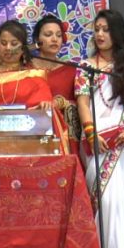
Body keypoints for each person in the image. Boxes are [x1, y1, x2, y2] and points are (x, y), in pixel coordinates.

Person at [74, 9, 124, 248]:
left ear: (117, 33)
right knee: (103, 202)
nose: (100, 35)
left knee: (121, 199)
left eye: (106, 29)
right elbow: (82, 102)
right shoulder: (84, 67)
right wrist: (92, 134)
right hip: (98, 140)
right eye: (97, 30)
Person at [33, 15, 80, 154]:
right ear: (37, 40)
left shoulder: (71, 70)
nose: (54, 39)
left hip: (64, 138)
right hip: (33, 134)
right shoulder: (26, 70)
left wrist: (62, 103)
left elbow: (82, 104)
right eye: (48, 34)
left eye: (59, 35)